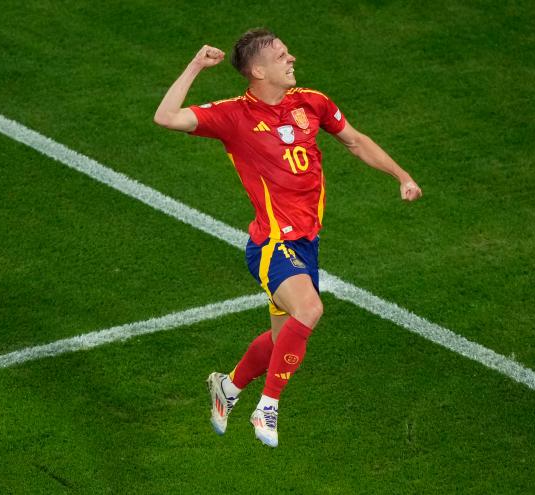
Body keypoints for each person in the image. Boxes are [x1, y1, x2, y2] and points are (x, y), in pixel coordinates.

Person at [154, 28, 422, 448]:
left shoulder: (311, 103)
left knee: (284, 340)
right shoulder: (233, 116)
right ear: (258, 70)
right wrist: (195, 66)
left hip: (307, 245)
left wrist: (401, 176)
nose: (291, 58)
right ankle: (268, 406)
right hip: (272, 245)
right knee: (311, 309)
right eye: (281, 56)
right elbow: (165, 117)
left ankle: (228, 387)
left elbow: (354, 141)